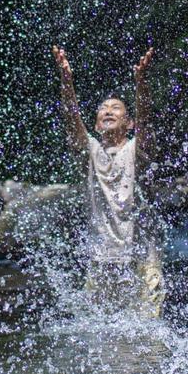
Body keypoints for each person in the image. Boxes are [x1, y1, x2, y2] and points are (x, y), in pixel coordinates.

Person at [52, 42, 164, 315]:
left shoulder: (137, 149)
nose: (109, 110)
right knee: (100, 332)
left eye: (116, 108)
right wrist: (66, 81)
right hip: (101, 257)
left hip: (142, 258)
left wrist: (141, 85)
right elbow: (71, 118)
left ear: (129, 123)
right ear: (96, 123)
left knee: (148, 330)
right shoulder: (89, 150)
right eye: (103, 109)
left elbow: (147, 121)